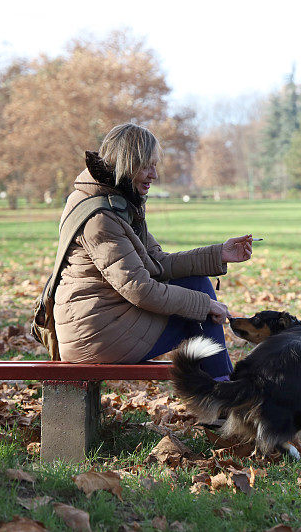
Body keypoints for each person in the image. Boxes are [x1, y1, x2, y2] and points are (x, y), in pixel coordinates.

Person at [53, 123, 251, 380]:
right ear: (127, 163)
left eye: (154, 165)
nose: (154, 175)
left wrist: (219, 254)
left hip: (104, 323)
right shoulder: (101, 217)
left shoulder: (118, 203)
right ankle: (223, 401)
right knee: (200, 303)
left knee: (197, 287)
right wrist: (205, 305)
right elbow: (140, 289)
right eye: (147, 166)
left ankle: (221, 395)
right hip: (95, 335)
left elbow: (157, 262)